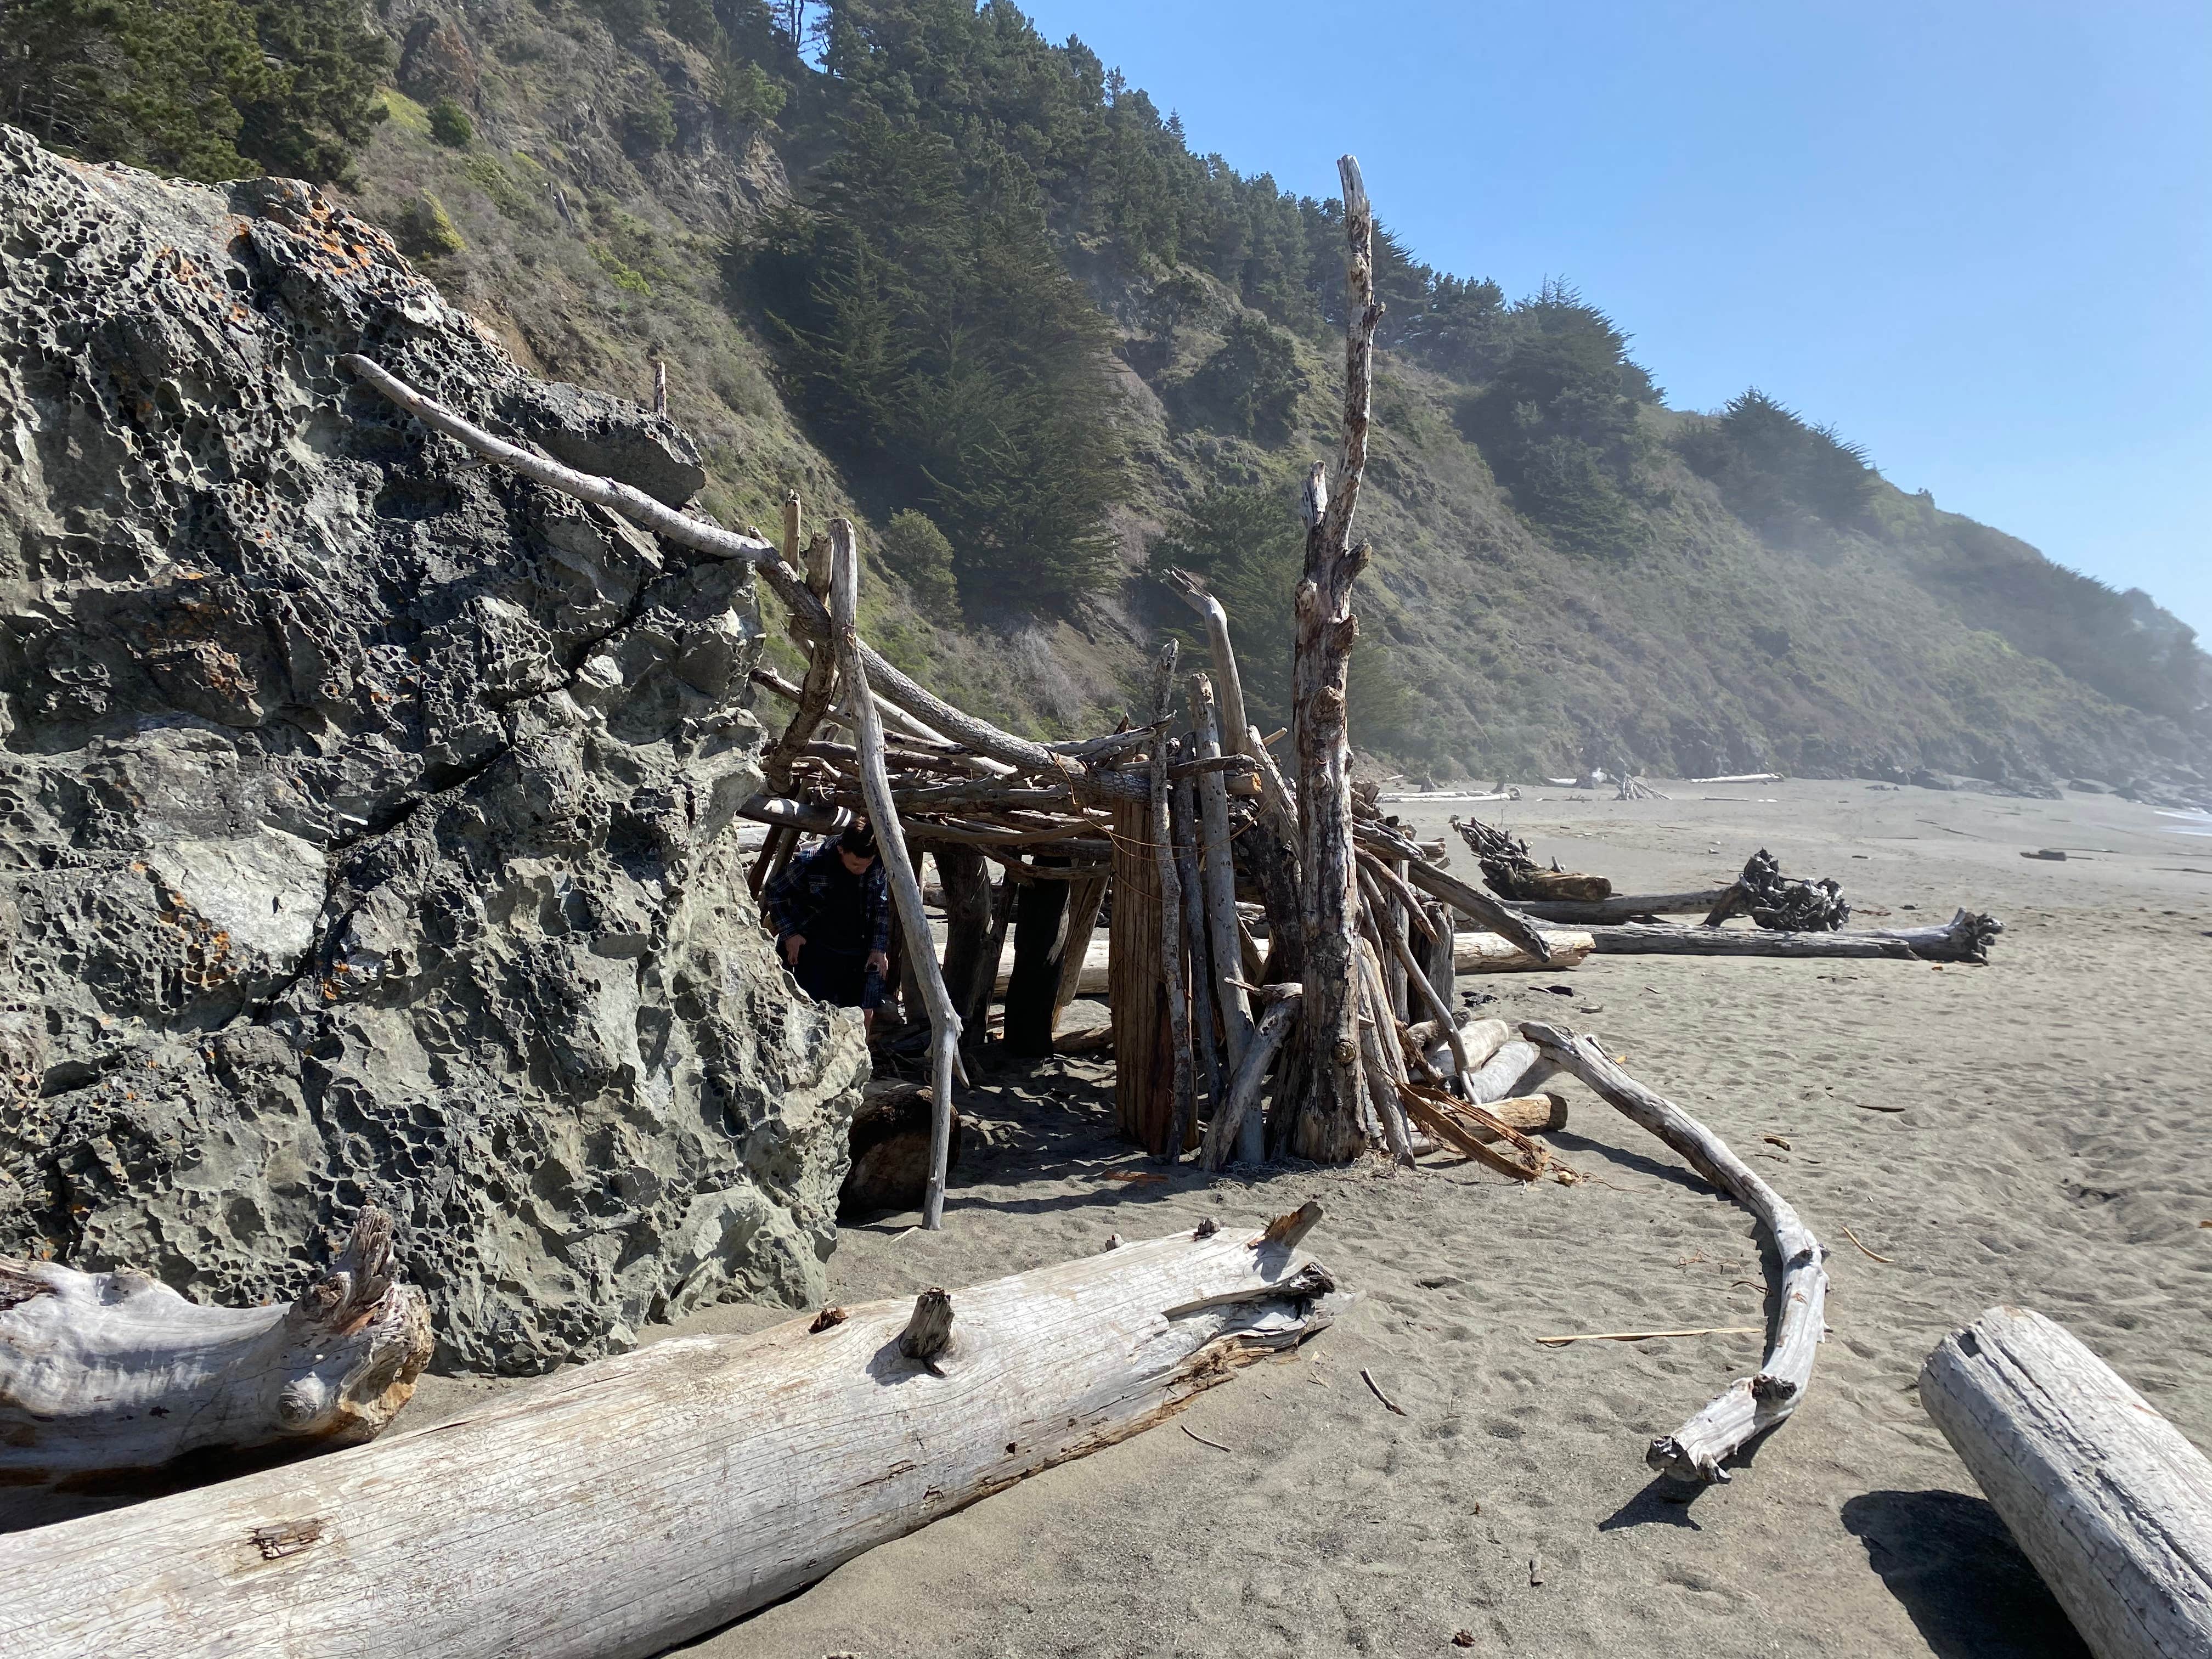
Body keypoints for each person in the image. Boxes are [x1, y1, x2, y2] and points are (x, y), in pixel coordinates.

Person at [763, 821, 891, 1029]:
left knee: (863, 1012)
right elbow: (775, 892)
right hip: (815, 945)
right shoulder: (813, 862)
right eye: (855, 865)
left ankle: (861, 1049)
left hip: (859, 947)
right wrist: (790, 934)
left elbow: (881, 906)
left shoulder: (876, 864)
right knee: (812, 1010)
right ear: (841, 850)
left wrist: (879, 948)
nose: (861, 871)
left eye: (866, 865)